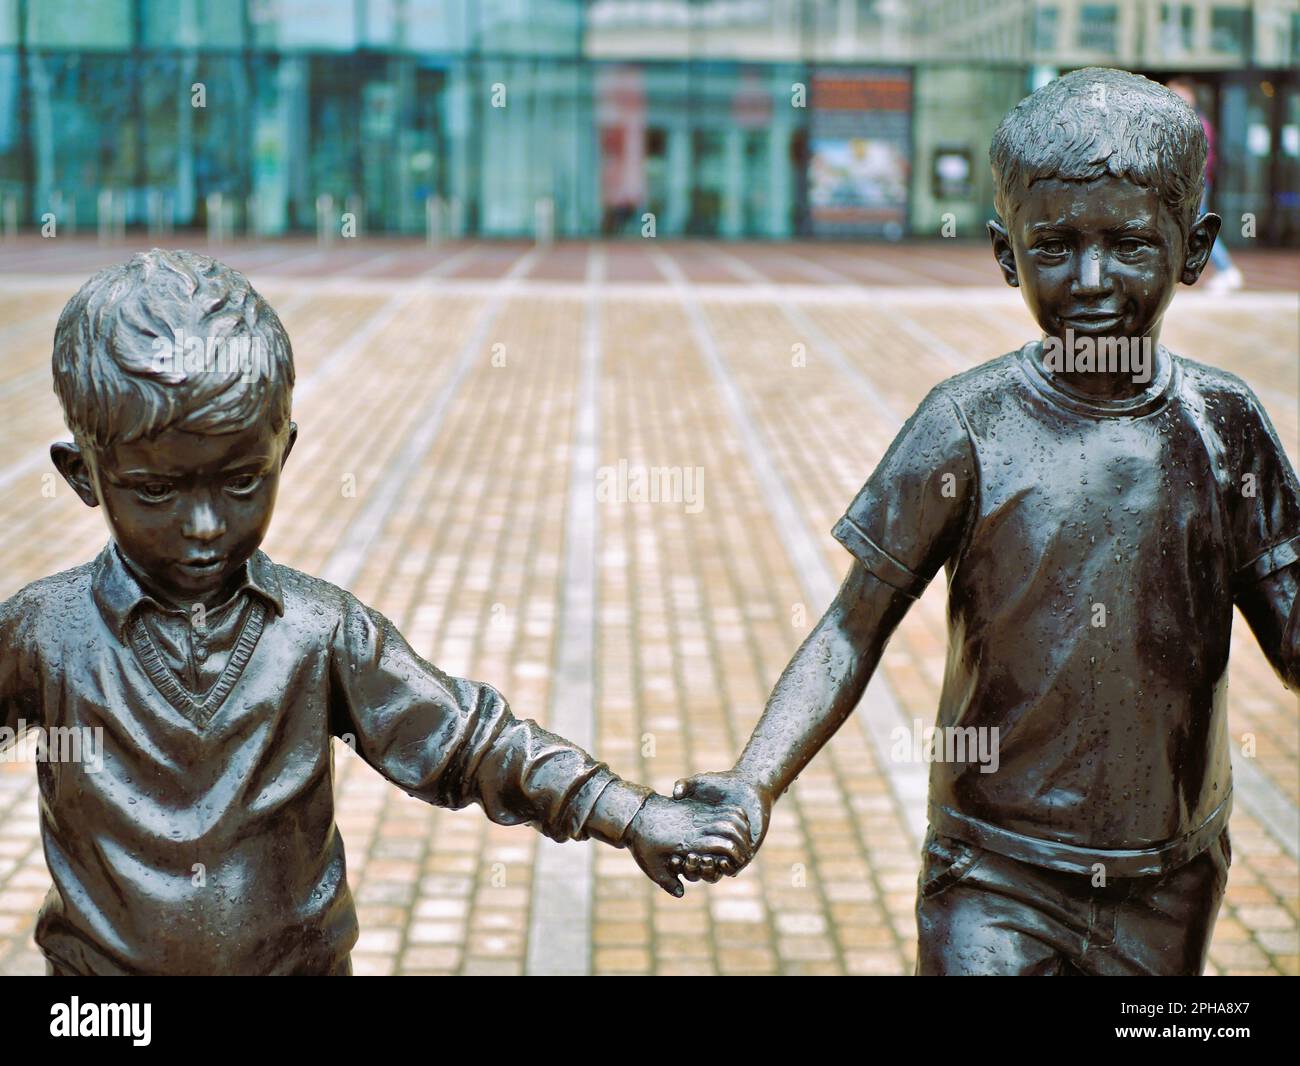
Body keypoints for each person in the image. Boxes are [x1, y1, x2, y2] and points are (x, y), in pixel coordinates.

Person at [672, 68, 1299, 975]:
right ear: (1007, 255)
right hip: (992, 872)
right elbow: (855, 625)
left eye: (1127, 244)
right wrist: (753, 779)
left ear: (1194, 247)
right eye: (1054, 246)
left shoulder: (1224, 425)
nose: (1089, 280)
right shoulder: (966, 424)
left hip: (1168, 881)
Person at [0, 248, 750, 975]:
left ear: (282, 454)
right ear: (82, 475)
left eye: (240, 483)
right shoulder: (44, 634)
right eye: (157, 492)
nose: (204, 527)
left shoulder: (319, 632)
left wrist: (632, 813)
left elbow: (467, 740)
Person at [1168, 76, 1244, 292]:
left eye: (1177, 92)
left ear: (1190, 96)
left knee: (1199, 226)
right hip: (1192, 185)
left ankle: (1227, 270)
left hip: (1196, 185)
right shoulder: (1188, 121)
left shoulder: (1197, 123)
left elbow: (1203, 159)